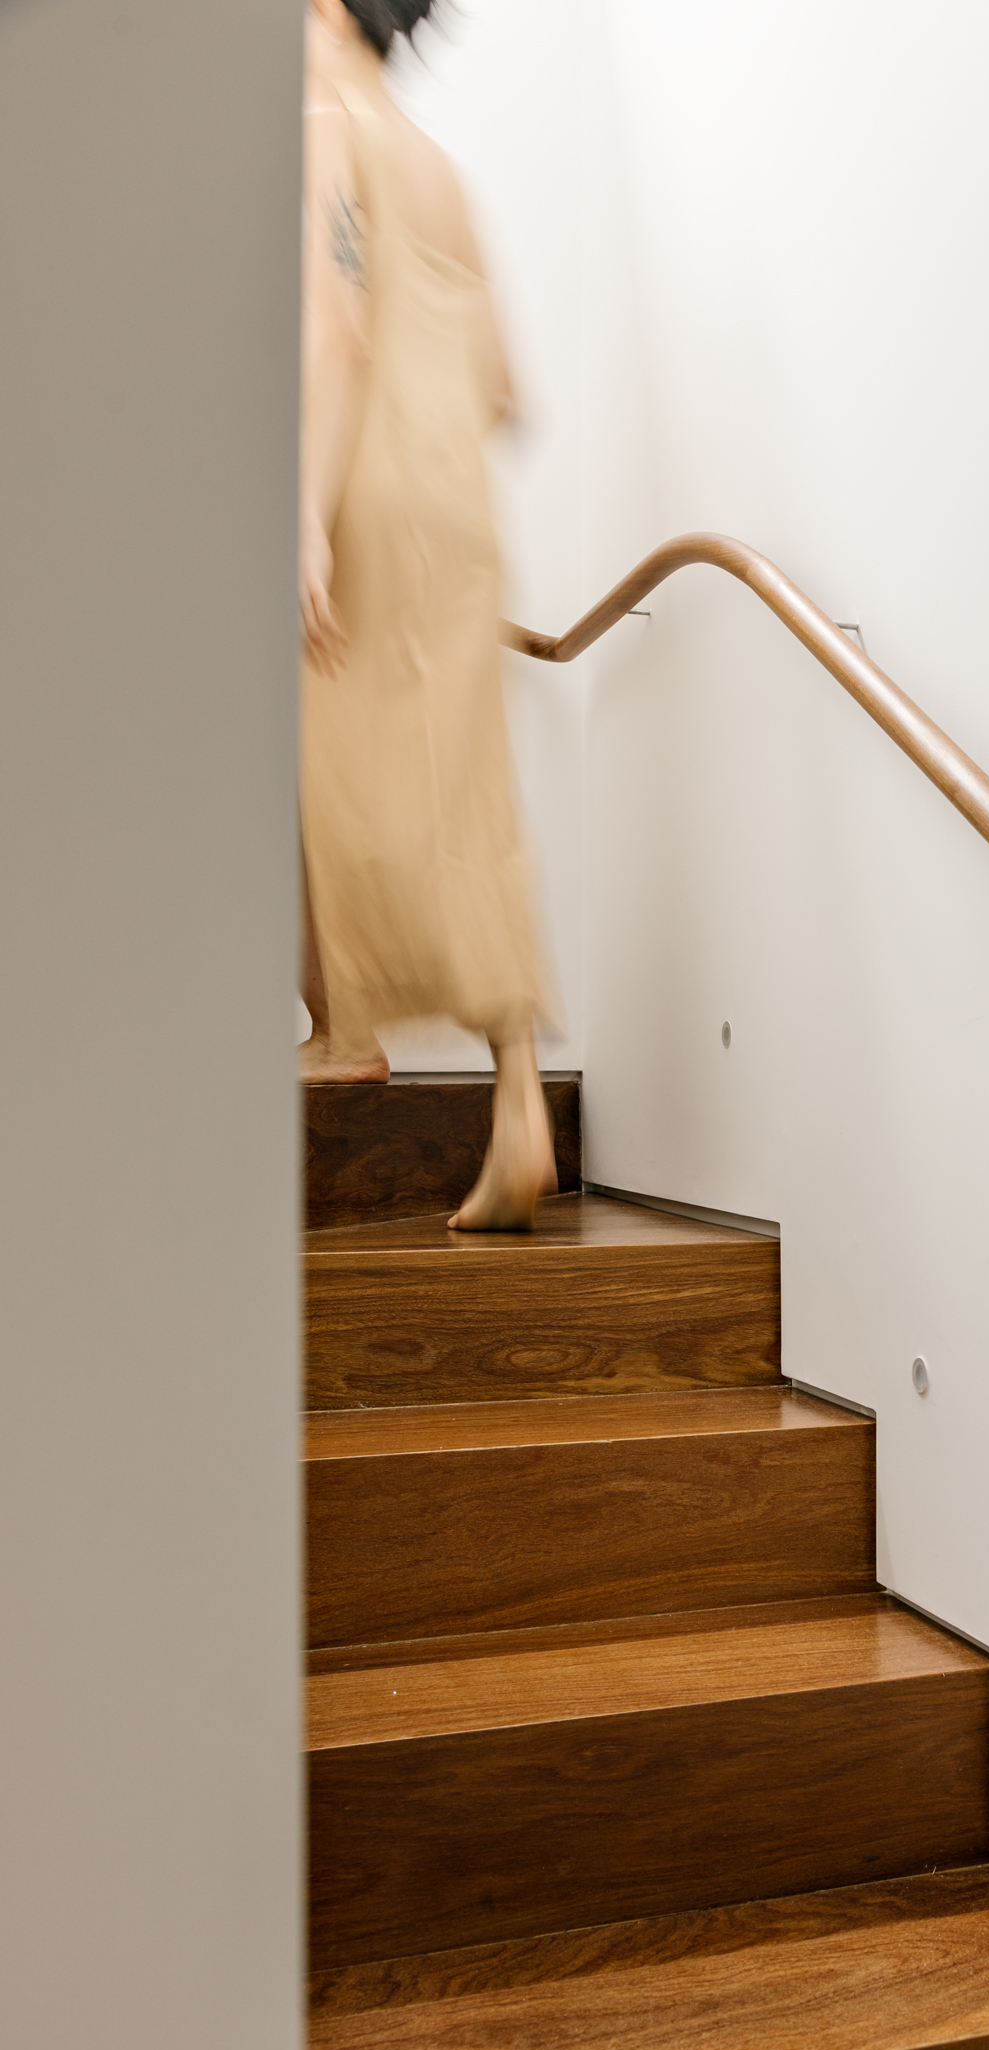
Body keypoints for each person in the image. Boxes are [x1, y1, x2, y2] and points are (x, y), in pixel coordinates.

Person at [298, 0, 558, 1229]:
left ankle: (340, 1029)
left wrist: (306, 513)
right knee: (466, 786)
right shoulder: (443, 168)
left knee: (324, 756)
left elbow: (336, 332)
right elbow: (506, 388)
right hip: (457, 506)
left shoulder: (319, 118)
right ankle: (518, 1103)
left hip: (370, 489)